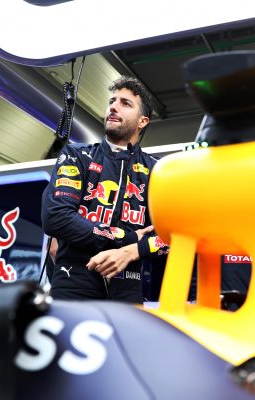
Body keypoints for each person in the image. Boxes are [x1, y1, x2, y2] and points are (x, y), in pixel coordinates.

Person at [41, 76, 169, 303]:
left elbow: (172, 237)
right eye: (113, 100)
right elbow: (56, 217)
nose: (113, 106)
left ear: (143, 121)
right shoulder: (77, 155)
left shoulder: (157, 170)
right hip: (74, 282)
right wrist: (125, 238)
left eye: (125, 103)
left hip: (130, 285)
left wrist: (131, 252)